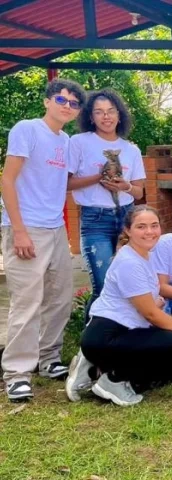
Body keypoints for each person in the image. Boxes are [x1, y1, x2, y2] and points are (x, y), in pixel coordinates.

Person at [0, 79, 86, 401]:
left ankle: (48, 359)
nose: (67, 105)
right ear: (48, 101)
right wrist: (18, 229)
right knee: (27, 302)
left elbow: (61, 185)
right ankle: (17, 373)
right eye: (62, 99)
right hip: (27, 228)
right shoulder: (27, 129)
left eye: (74, 103)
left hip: (55, 230)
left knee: (59, 297)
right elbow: (7, 180)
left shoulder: (65, 141)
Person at [65, 206, 172, 406]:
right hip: (106, 336)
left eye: (154, 226)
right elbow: (150, 314)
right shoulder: (129, 262)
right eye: (141, 227)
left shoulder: (145, 254)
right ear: (128, 230)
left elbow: (140, 302)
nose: (149, 232)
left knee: (171, 366)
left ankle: (94, 368)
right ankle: (113, 379)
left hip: (123, 331)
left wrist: (156, 303)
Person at [68, 88, 146, 322]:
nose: (106, 116)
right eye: (99, 112)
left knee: (128, 282)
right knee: (103, 285)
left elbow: (140, 191)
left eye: (111, 111)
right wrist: (97, 178)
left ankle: (122, 336)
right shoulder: (79, 142)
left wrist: (125, 187)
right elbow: (67, 183)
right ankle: (91, 345)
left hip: (127, 218)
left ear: (119, 115)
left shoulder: (131, 149)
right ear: (90, 117)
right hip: (95, 220)